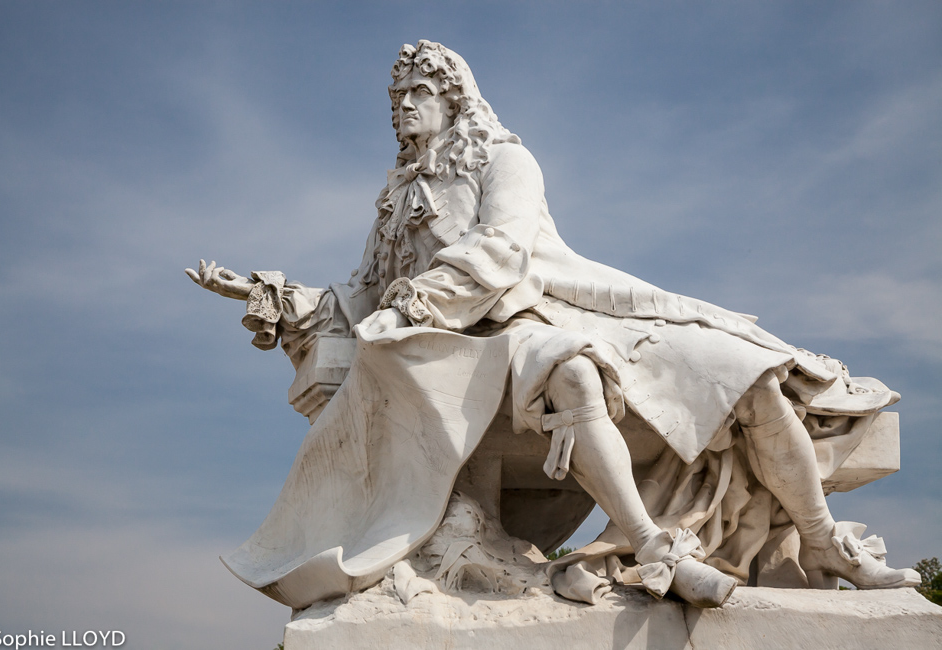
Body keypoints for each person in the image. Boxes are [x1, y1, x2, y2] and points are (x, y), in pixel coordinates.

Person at [188, 40, 918, 608]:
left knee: (751, 371)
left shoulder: (503, 159)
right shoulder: (396, 197)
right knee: (571, 371)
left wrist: (419, 300)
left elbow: (500, 250)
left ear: (452, 99)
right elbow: (364, 291)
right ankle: (654, 548)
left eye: (417, 92)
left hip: (532, 307)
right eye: (395, 96)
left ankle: (823, 543)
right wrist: (276, 295)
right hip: (474, 344)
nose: (402, 106)